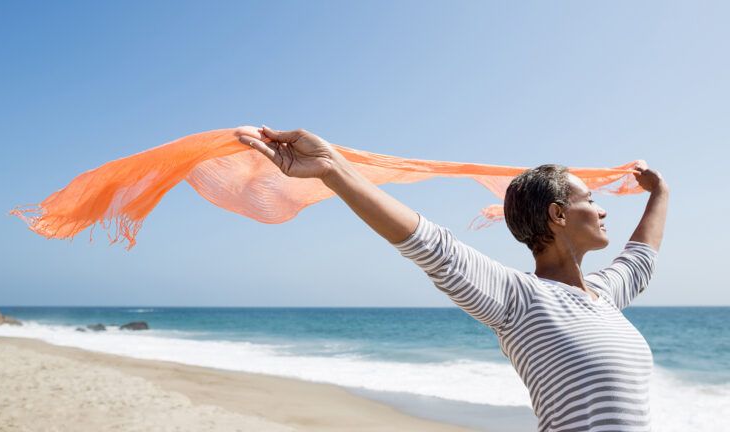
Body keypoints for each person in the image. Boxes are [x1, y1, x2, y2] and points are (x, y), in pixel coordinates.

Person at [238, 126, 669, 432]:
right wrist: (333, 168)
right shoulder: (520, 299)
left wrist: (661, 192)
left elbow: (641, 257)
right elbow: (431, 244)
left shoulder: (603, 296)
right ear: (558, 214)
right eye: (590, 200)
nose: (603, 210)